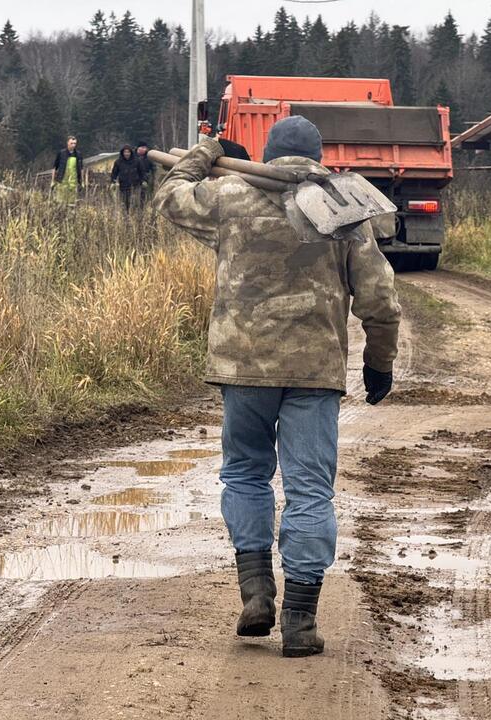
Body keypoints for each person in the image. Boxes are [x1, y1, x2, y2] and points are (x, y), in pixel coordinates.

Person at [155, 117, 400, 658]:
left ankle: (256, 593)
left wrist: (206, 151)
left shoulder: (229, 196)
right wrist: (378, 364)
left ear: (268, 154)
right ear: (318, 155)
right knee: (310, 489)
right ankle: (300, 622)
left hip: (242, 369)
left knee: (245, 474)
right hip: (313, 373)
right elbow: (380, 301)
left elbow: (171, 197)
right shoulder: (342, 209)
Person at [111, 144, 146, 212]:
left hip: (135, 186)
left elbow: (142, 172)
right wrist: (113, 182)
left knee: (135, 203)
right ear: (122, 153)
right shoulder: (118, 162)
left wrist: (143, 180)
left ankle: (135, 216)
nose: (126, 154)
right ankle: (126, 217)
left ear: (131, 153)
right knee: (124, 203)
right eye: (125, 152)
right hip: (123, 186)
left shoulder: (137, 161)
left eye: (128, 152)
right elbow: (114, 173)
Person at [52, 135, 85, 206]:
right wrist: (53, 181)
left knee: (72, 204)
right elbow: (55, 168)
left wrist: (82, 181)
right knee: (60, 203)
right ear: (67, 143)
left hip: (73, 183)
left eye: (75, 143)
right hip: (62, 182)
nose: (73, 145)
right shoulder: (61, 153)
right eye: (71, 143)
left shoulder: (78, 155)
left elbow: (81, 169)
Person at [135, 141, 156, 208]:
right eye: (143, 147)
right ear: (138, 148)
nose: (145, 149)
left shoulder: (148, 157)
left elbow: (153, 167)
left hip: (145, 179)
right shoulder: (133, 156)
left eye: (145, 148)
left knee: (144, 197)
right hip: (134, 179)